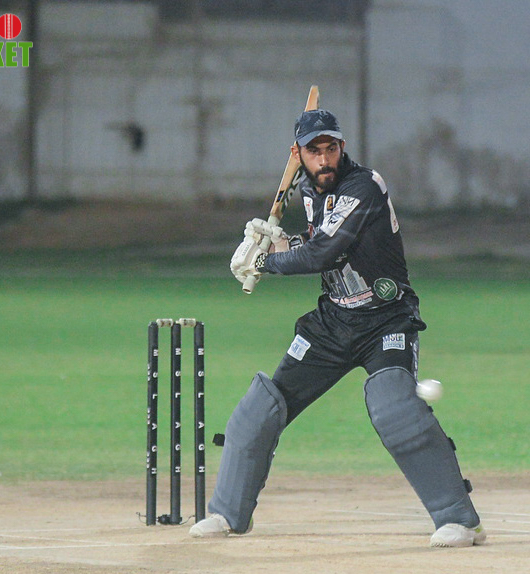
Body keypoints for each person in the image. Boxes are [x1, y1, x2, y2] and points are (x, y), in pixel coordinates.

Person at [189, 109, 485, 548]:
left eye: (331, 149)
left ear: (342, 147)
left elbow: (324, 253)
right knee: (262, 407)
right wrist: (283, 243)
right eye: (314, 152)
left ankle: (459, 519)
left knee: (394, 408)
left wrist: (266, 262)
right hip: (333, 321)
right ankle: (227, 513)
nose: (324, 159)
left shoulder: (364, 186)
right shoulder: (312, 192)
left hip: (386, 318)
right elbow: (318, 244)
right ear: (299, 155)